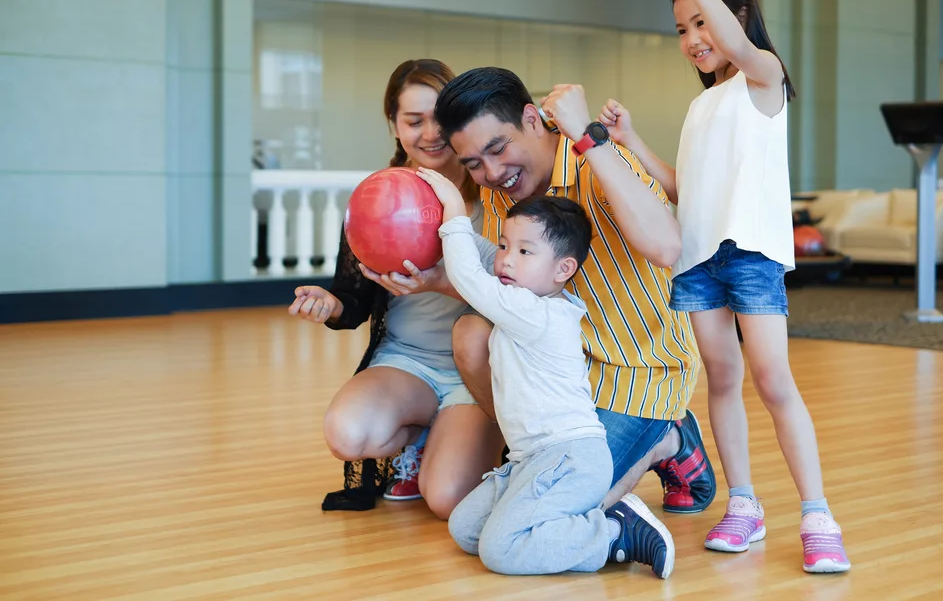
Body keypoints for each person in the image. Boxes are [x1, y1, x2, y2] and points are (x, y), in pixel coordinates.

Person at [627, 0, 843, 573]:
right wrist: (630, 140)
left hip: (749, 254)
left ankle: (817, 513)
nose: (693, 36)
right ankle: (743, 503)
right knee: (721, 381)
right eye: (682, 27)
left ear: (738, 16)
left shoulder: (763, 76)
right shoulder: (701, 105)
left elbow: (742, 47)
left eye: (702, 19)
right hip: (698, 260)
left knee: (774, 380)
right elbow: (681, 190)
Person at [434, 66, 717, 517]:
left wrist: (589, 137)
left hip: (639, 373)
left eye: (498, 147)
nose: (491, 171)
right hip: (563, 379)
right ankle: (531, 455)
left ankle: (669, 437)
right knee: (471, 334)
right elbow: (512, 293)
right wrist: (435, 279)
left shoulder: (598, 159)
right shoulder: (499, 190)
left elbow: (666, 247)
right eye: (473, 164)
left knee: (562, 517)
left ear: (531, 119)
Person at [416, 167, 674, 578]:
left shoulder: (536, 314)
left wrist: (452, 211)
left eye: (524, 251)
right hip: (529, 460)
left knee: (500, 551)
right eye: (504, 245)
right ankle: (579, 531)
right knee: (466, 530)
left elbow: (468, 276)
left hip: (568, 459)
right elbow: (482, 259)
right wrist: (485, 246)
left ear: (563, 270)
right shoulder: (530, 298)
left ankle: (612, 531)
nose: (505, 258)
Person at [288, 59, 504, 518]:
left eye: (440, 118)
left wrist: (443, 283)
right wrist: (330, 305)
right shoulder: (378, 199)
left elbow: (521, 297)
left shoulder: (496, 193)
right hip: (406, 363)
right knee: (347, 434)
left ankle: (467, 438)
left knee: (445, 499)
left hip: (476, 372)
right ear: (394, 125)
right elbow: (353, 303)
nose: (431, 133)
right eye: (414, 120)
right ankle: (423, 440)